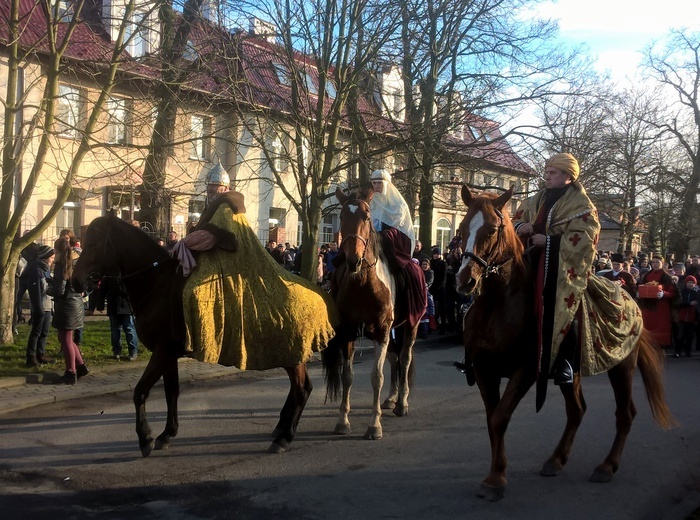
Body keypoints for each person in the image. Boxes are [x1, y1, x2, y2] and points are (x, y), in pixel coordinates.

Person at [513, 152, 599, 386]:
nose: (547, 177)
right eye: (547, 172)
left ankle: (566, 362)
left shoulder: (581, 205)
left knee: (568, 304)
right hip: (529, 259)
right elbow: (514, 220)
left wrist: (549, 241)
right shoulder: (536, 198)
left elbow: (585, 240)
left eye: (552, 173)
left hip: (562, 267)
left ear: (568, 176)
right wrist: (522, 226)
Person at [369, 169, 426, 326]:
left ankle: (408, 307)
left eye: (379, 183)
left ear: (386, 184)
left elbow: (398, 231)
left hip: (391, 249)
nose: (376, 186)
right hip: (370, 247)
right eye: (374, 183)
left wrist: (380, 236)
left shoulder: (398, 205)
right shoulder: (370, 203)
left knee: (412, 274)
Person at [51, 238, 89, 385]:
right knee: (68, 338)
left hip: (66, 305)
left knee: (65, 339)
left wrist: (48, 288)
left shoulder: (62, 265)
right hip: (76, 305)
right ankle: (81, 366)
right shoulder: (75, 263)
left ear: (57, 250)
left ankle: (70, 372)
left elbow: (59, 290)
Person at [638, 254, 678, 350]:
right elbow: (641, 286)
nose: (655, 264)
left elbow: (673, 292)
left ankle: (661, 344)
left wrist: (664, 294)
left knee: (661, 325)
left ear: (662, 263)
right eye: (653, 262)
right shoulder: (647, 275)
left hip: (661, 306)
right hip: (648, 305)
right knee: (647, 324)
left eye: (657, 262)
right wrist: (640, 293)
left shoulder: (666, 276)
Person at [25, 245, 55, 367]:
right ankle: (31, 356)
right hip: (39, 307)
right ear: (45, 258)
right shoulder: (36, 271)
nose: (53, 260)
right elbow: (35, 292)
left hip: (47, 305)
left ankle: (41, 354)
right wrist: (38, 309)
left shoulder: (46, 270)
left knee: (44, 332)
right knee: (36, 332)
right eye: (52, 257)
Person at [103, 276, 139, 361]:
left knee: (129, 329)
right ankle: (116, 351)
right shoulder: (109, 276)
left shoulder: (128, 274)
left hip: (127, 307)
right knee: (115, 330)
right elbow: (102, 290)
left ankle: (133, 351)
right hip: (114, 307)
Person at [674, 275, 698, 358]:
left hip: (692, 318)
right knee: (680, 335)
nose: (690, 284)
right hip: (682, 317)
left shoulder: (696, 293)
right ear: (685, 283)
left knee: (690, 336)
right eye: (689, 282)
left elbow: (697, 304)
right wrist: (689, 303)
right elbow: (679, 302)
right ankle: (678, 351)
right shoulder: (681, 292)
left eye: (692, 283)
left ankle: (688, 351)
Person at [429, 247, 447, 334]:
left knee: (441, 308)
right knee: (432, 308)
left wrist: (439, 287)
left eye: (437, 254)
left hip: (440, 288)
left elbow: (444, 277)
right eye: (434, 254)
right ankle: (433, 325)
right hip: (432, 287)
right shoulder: (431, 262)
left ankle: (442, 326)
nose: (435, 255)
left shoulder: (443, 263)